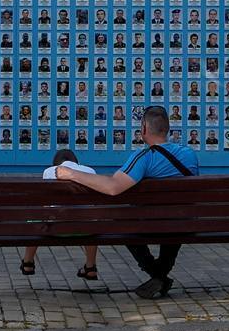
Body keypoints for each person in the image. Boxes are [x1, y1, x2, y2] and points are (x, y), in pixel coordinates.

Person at [56, 105, 198, 299]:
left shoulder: (144, 157)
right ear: (167, 129)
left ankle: (158, 275)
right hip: (184, 223)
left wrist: (71, 173)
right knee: (174, 219)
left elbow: (113, 187)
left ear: (144, 129)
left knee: (123, 223)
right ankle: (160, 274)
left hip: (150, 224)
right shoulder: (189, 154)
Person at [21, 148, 99, 281]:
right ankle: (90, 266)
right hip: (85, 230)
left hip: (54, 228)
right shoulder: (90, 171)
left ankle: (28, 262)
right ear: (76, 162)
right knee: (90, 218)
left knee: (36, 217)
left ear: (56, 163)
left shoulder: (49, 172)